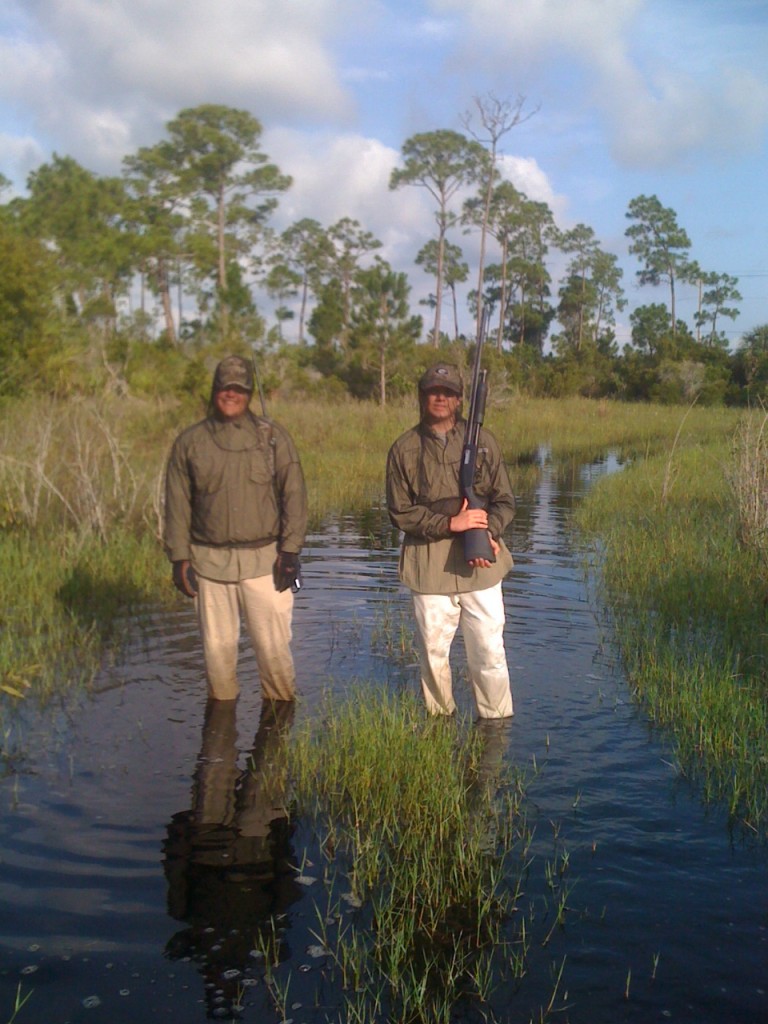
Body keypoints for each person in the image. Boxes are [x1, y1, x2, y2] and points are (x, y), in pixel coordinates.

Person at [164, 354, 307, 703]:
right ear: (215, 390)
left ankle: (276, 740)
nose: (231, 394)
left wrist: (290, 553)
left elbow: (295, 496)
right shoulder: (189, 442)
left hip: (266, 563)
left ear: (249, 392)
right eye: (225, 387)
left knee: (274, 657)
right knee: (217, 660)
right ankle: (220, 743)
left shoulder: (274, 438)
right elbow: (177, 505)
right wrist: (179, 559)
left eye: (239, 389)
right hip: (209, 565)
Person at [386, 362, 515, 719]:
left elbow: (505, 502)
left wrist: (490, 532)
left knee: (489, 652)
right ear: (422, 397)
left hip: (482, 564)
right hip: (429, 568)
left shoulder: (484, 443)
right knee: (433, 653)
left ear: (459, 400)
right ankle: (440, 725)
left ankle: (496, 726)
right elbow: (399, 512)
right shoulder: (403, 449)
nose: (439, 398)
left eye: (447, 392)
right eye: (432, 391)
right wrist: (450, 523)